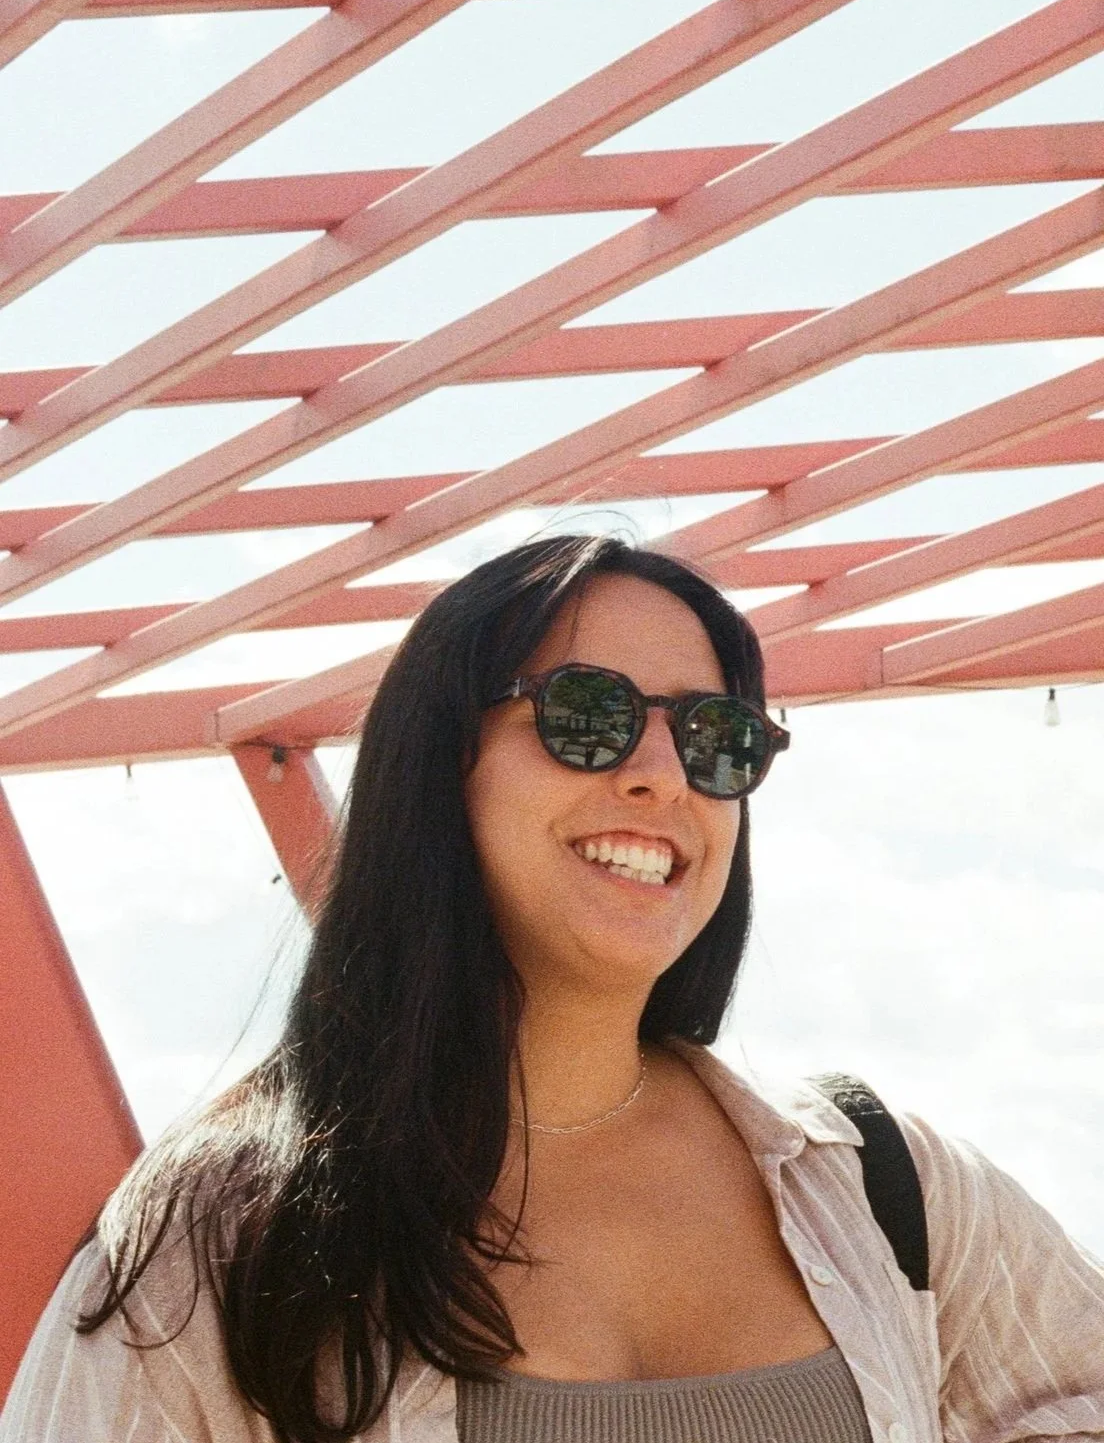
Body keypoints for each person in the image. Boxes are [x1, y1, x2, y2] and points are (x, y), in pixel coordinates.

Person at [2, 533, 1102, 1443]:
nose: (662, 774)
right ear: (440, 765)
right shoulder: (223, 1244)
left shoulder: (884, 1191)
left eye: (717, 739)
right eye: (590, 715)